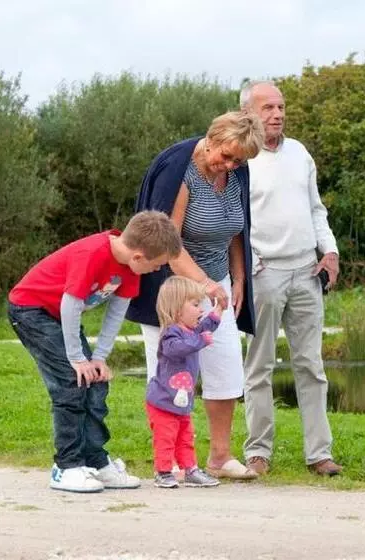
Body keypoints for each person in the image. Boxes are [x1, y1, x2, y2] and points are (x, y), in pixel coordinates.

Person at [126, 110, 264, 480]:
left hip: (216, 282)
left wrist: (238, 277)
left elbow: (236, 227)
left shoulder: (235, 173)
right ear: (212, 138)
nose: (230, 165)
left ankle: (220, 456)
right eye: (227, 155)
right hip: (172, 287)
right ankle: (168, 461)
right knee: (168, 378)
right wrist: (204, 284)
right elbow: (166, 242)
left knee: (226, 365)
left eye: (239, 160)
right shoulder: (179, 169)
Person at [8, 210, 182, 493]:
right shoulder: (92, 254)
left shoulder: (131, 268)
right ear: (139, 256)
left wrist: (99, 357)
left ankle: (95, 462)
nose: (157, 271)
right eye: (157, 266)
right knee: (71, 380)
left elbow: (116, 313)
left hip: (60, 316)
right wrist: (77, 359)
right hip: (31, 310)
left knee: (95, 380)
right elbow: (71, 304)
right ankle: (66, 467)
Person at [239, 81, 342, 476]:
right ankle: (258, 452)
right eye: (268, 108)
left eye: (280, 107)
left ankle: (320, 454)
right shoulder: (242, 160)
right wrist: (250, 264)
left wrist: (329, 252)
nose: (277, 114)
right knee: (259, 366)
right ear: (249, 112)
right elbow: (236, 224)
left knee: (311, 366)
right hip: (265, 273)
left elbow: (317, 210)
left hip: (306, 272)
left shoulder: (300, 153)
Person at [146, 276, 223, 489]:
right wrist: (201, 341)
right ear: (177, 309)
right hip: (163, 401)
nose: (201, 310)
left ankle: (190, 469)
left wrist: (217, 314)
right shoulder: (171, 333)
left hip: (181, 403)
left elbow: (205, 327)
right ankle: (163, 471)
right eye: (195, 304)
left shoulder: (191, 331)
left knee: (186, 438)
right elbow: (177, 349)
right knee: (165, 438)